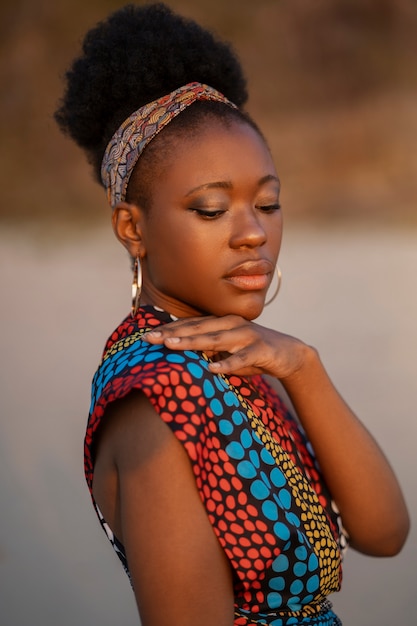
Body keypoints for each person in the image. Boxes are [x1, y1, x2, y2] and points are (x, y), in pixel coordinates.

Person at [55, 3, 409, 625]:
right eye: (213, 209)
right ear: (131, 228)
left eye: (268, 204)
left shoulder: (246, 355)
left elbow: (384, 534)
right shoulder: (158, 401)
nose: (253, 234)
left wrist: (306, 368)